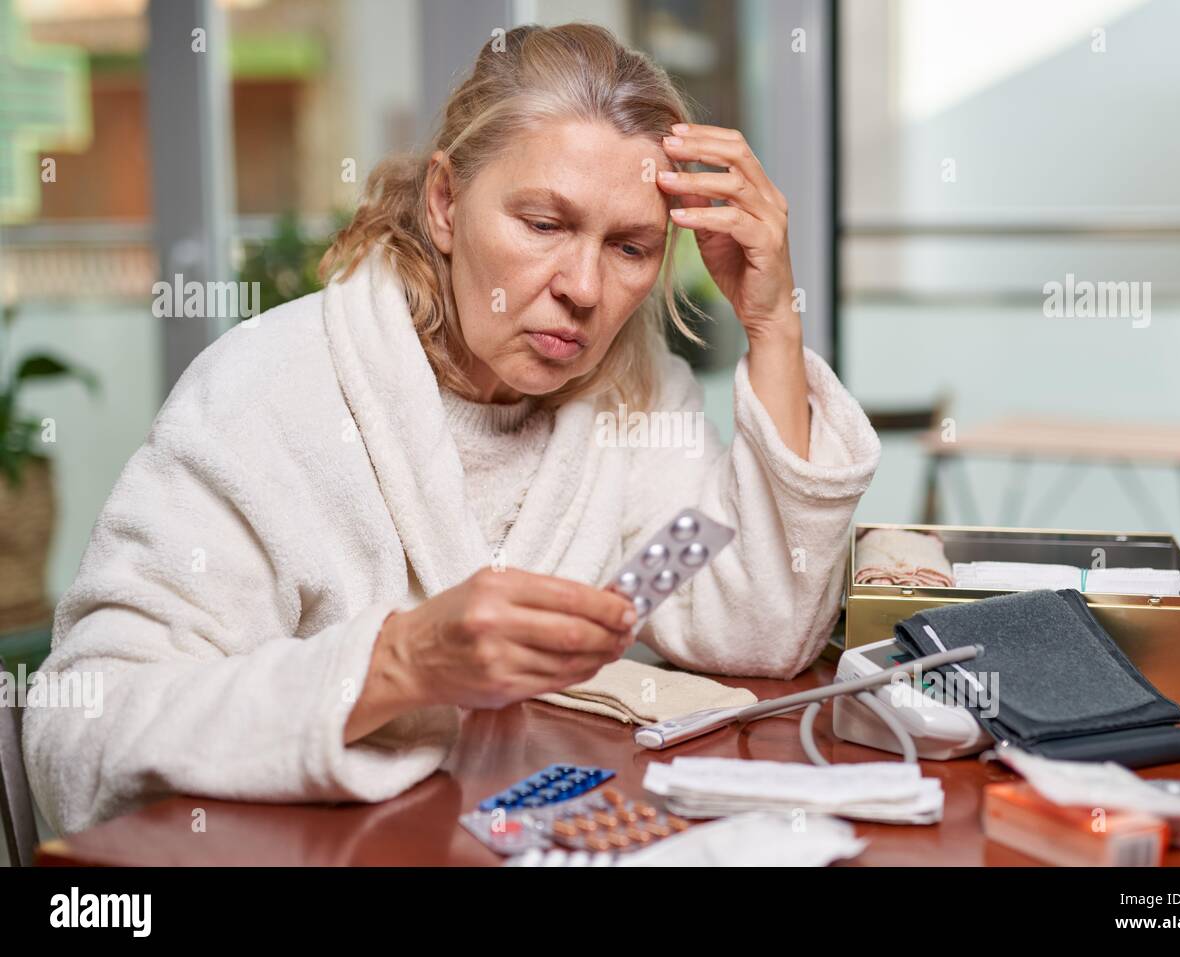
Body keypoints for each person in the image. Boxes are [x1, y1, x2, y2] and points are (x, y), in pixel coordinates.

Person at [24, 23, 881, 834]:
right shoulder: (268, 392)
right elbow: (78, 739)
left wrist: (772, 322)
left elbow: (763, 630)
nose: (584, 287)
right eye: (543, 224)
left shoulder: (631, 394)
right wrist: (397, 665)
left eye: (629, 247)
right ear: (444, 201)